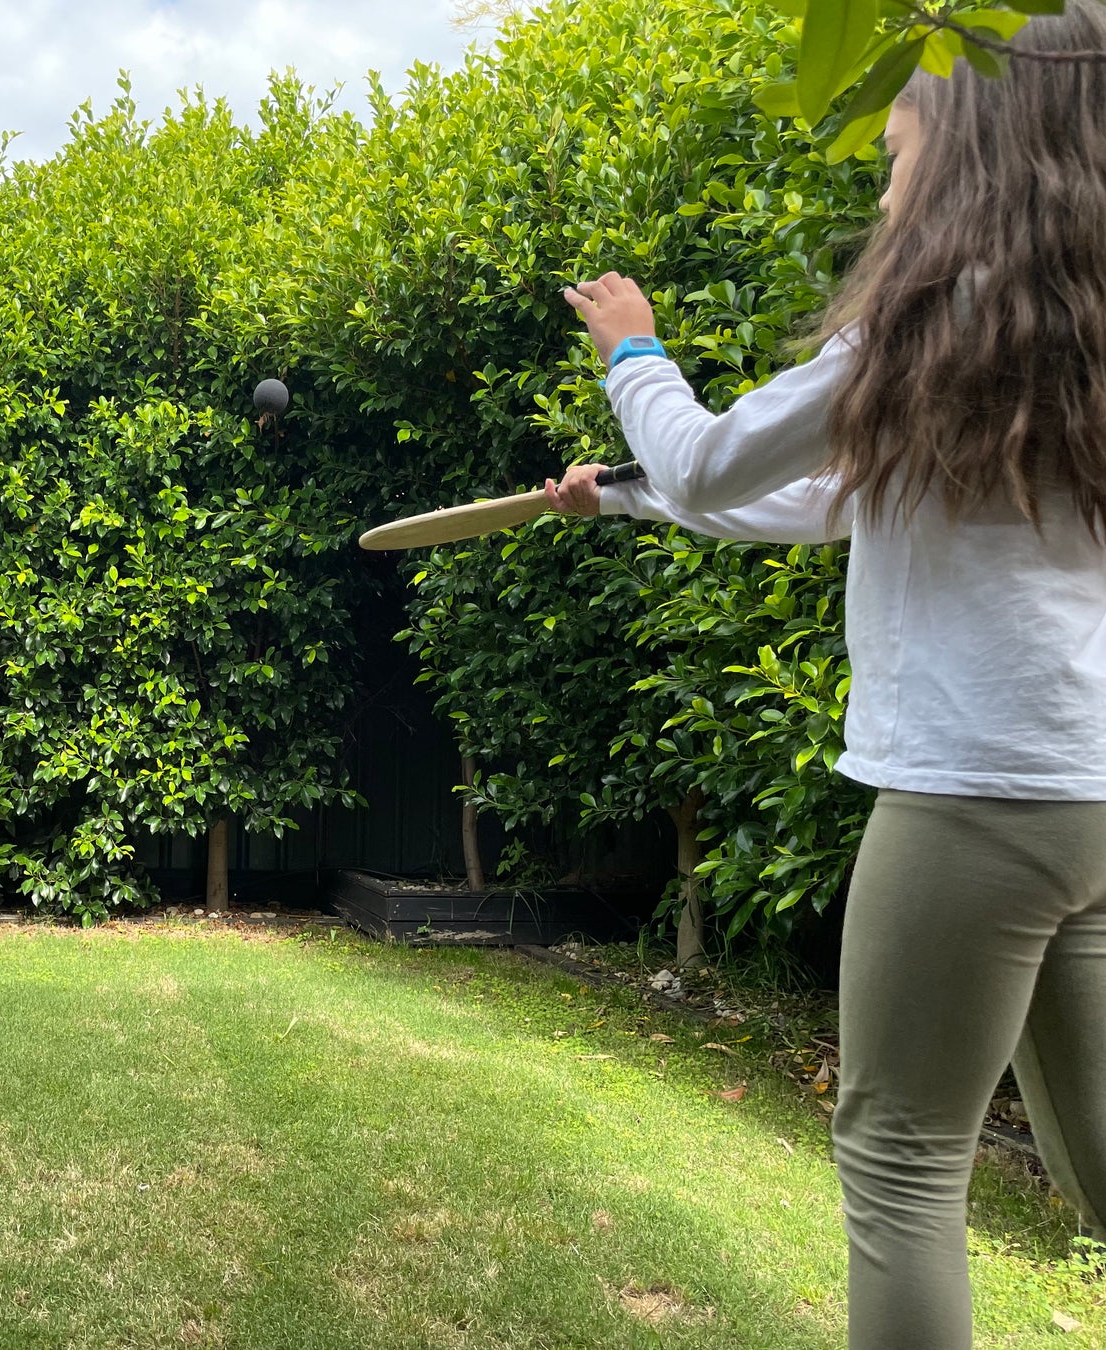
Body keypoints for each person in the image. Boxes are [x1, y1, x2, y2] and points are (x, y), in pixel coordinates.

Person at [547, 8, 1106, 1346]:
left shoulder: (925, 327)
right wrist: (621, 497)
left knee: (902, 1159)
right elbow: (833, 501)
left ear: (968, 149)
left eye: (898, 154)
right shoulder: (1076, 330)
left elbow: (709, 460)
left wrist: (633, 350)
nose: (888, 187)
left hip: (971, 798)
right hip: (1090, 800)